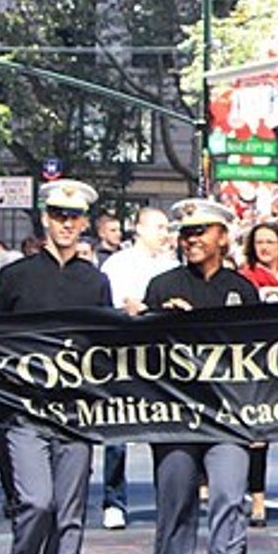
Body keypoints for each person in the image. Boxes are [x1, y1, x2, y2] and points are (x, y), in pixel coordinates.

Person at [0, 180, 114, 554]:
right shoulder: (16, 276)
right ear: (44, 220)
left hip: (75, 414)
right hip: (27, 412)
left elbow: (108, 345)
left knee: (70, 515)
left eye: (74, 217)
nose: (67, 224)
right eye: (58, 215)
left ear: (85, 224)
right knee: (36, 504)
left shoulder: (95, 281)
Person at [144, 198, 260, 554]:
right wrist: (158, 321)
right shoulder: (162, 286)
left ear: (223, 238)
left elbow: (258, 354)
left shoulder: (241, 289)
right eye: (186, 233)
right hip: (175, 416)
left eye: (201, 232)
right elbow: (142, 356)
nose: (192, 239)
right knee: (177, 504)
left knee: (231, 499)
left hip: (227, 415)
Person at [96, 207, 177, 531]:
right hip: (124, 356)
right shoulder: (118, 264)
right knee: (117, 433)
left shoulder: (172, 266)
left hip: (161, 358)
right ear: (139, 229)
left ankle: (168, 499)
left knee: (166, 430)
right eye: (158, 226)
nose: (163, 232)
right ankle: (114, 501)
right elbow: (108, 306)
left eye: (165, 227)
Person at [238, 220, 278, 527]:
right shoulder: (245, 279)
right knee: (258, 436)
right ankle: (258, 500)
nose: (264, 247)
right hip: (257, 362)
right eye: (259, 242)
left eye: (270, 242)